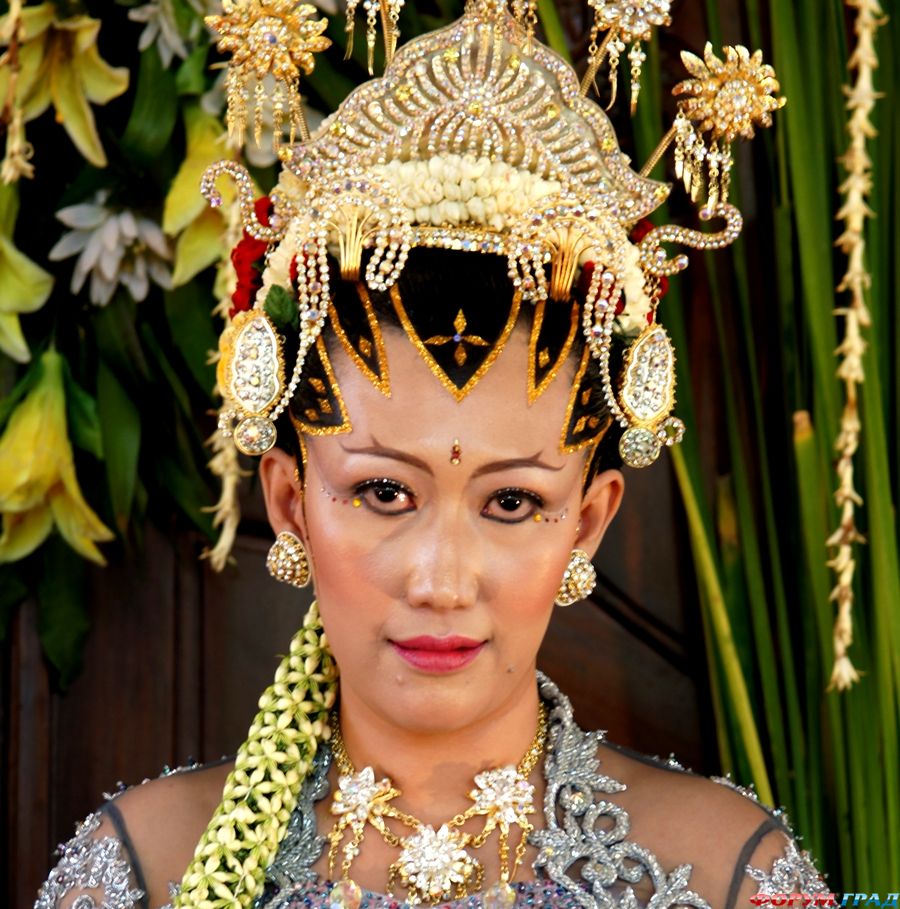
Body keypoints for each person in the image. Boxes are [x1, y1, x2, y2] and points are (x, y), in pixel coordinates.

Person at [34, 1, 826, 907]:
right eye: (382, 490)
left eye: (513, 502)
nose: (441, 579)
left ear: (590, 519)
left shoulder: (727, 872)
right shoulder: (140, 872)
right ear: (291, 502)